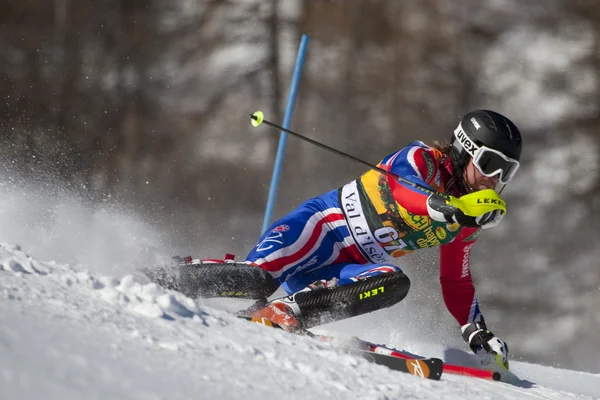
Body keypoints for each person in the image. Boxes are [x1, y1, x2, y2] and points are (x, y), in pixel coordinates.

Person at [244, 109, 521, 369]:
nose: (494, 178)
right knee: (253, 280)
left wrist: (475, 330)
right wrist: (446, 207)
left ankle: (288, 308)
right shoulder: (421, 159)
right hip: (318, 228)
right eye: (491, 164)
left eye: (506, 171)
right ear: (464, 150)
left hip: (343, 271)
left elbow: (455, 281)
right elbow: (401, 190)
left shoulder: (466, 221)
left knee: (394, 282)